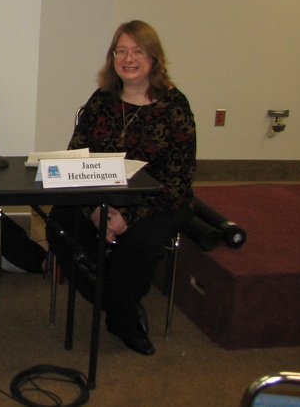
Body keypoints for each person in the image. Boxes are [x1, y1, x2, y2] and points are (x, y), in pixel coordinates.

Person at [45, 20, 196, 356]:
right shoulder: (102, 100)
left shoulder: (174, 106)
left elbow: (179, 178)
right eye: (121, 51)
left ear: (154, 58)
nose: (128, 58)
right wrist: (96, 210)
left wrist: (127, 216)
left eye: (137, 51)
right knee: (60, 228)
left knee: (136, 247)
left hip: (157, 202)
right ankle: (119, 303)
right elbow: (76, 158)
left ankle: (121, 319)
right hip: (98, 196)